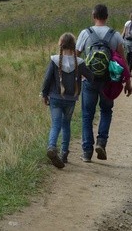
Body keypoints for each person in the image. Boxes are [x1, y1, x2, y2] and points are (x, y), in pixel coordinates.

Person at [76, 4, 132, 162]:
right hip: (108, 81)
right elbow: (122, 61)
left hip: (89, 80)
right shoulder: (114, 35)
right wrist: (127, 82)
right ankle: (101, 142)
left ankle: (87, 152)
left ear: (93, 16)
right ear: (107, 17)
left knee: (87, 115)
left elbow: (76, 56)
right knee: (106, 111)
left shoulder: (85, 33)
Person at [41, 32, 85, 168]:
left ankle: (52, 147)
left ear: (60, 44)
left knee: (56, 125)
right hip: (71, 100)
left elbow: (47, 79)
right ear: (74, 45)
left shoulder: (54, 60)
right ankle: (64, 153)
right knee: (66, 125)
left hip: (55, 98)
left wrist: (44, 94)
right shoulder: (79, 62)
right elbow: (90, 75)